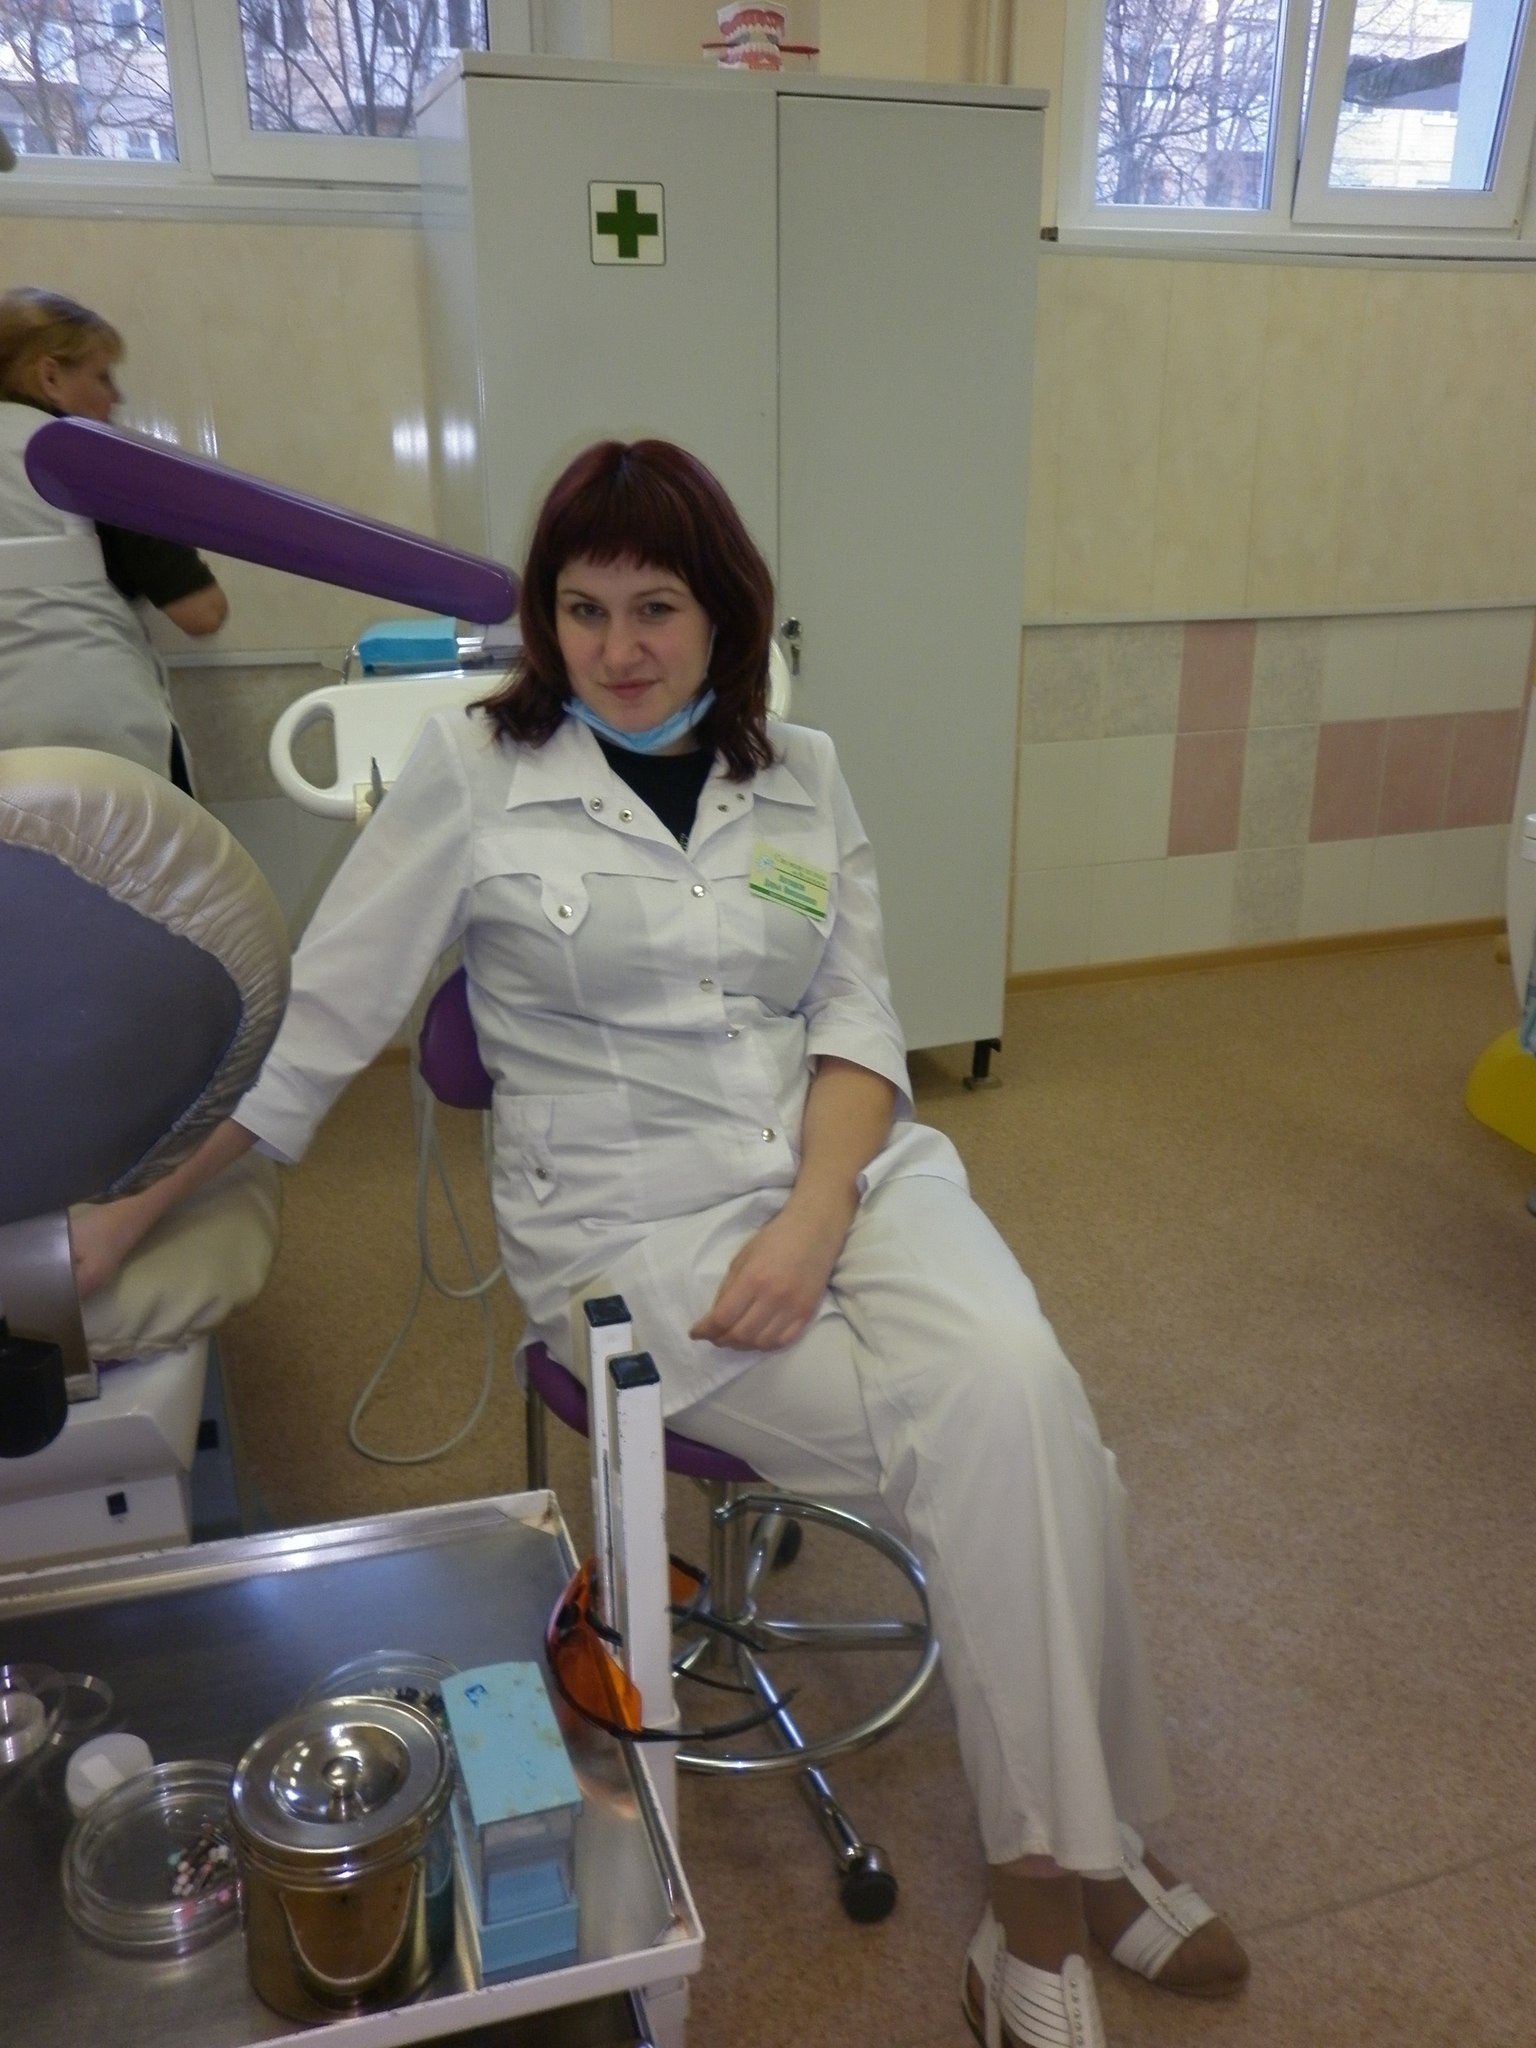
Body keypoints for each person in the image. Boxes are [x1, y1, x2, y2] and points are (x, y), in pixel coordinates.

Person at [70, 439, 1247, 2047]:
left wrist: (820, 1212)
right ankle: (1065, 1884)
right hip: (627, 1236)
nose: (619, 648)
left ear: (724, 616)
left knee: (1023, 1397)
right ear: (544, 619)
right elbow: (318, 1027)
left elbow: (858, 1021)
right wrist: (127, 1212)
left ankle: (1068, 1866)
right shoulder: (475, 776)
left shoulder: (804, 772)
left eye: (657, 609)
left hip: (848, 1175)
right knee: (1019, 1441)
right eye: (583, 608)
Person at [0, 287, 228, 789]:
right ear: (50, 377)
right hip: (105, 740)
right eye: (102, 376)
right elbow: (203, 613)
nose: (116, 397)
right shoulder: (91, 460)